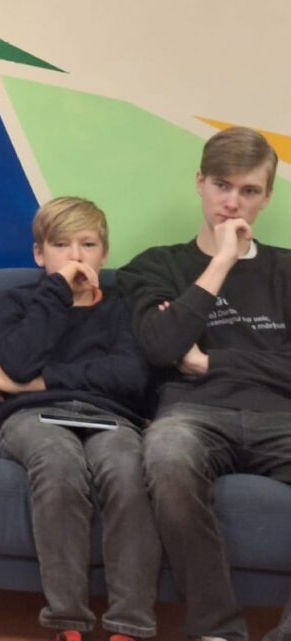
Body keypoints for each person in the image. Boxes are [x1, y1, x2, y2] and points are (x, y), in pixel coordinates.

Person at [118, 126, 291, 641]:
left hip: (281, 415)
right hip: (193, 416)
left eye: (249, 190)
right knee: (166, 453)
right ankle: (217, 631)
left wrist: (212, 361)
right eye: (222, 185)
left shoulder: (287, 270)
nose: (232, 203)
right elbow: (161, 348)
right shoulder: (157, 266)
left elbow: (188, 352)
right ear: (200, 182)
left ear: (267, 197)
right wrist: (220, 263)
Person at [0, 197, 159, 641]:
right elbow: (17, 361)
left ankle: (129, 625)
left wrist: (38, 382)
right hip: (33, 417)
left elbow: (130, 376)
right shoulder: (16, 302)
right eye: (61, 245)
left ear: (105, 254)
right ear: (39, 254)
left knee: (126, 467)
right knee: (58, 464)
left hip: (109, 416)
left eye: (88, 244)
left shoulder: (123, 306)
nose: (76, 256)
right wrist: (57, 292)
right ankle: (68, 623)